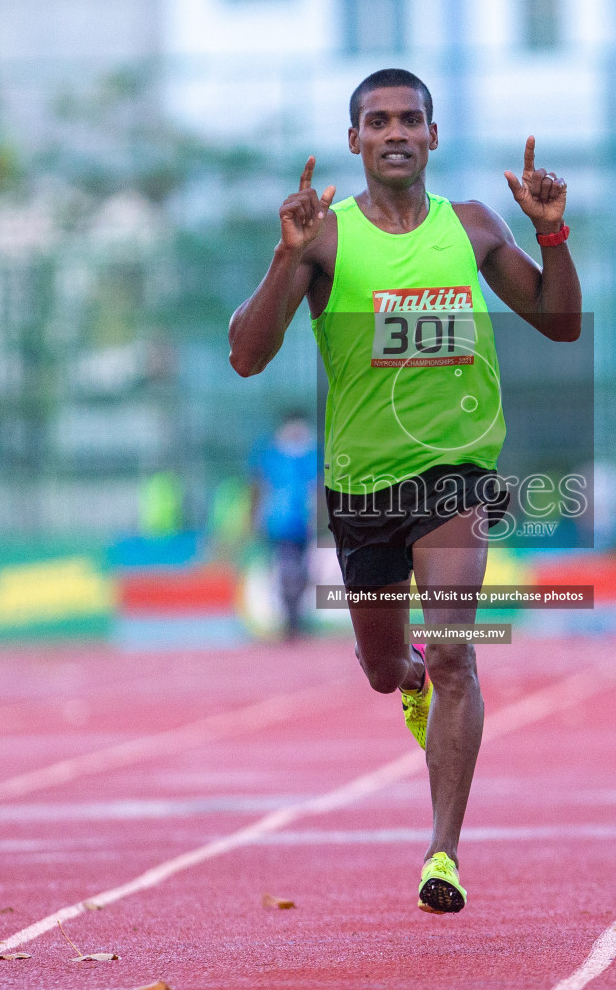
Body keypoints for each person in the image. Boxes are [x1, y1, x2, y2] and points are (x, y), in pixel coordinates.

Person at [227, 68, 581, 912]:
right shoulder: (324, 237)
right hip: (362, 486)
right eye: (377, 120)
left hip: (456, 473)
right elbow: (247, 354)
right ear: (354, 140)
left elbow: (561, 322)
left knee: (459, 649)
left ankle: (442, 854)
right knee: (388, 671)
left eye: (410, 119)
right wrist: (285, 253)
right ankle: (409, 674)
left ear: (433, 135)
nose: (395, 132)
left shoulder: (473, 226)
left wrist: (556, 235)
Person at [249, 410, 320, 640]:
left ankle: (295, 617)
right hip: (279, 524)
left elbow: (318, 490)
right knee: (288, 571)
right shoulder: (270, 455)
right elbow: (259, 488)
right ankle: (291, 620)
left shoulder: (312, 456)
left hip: (304, 525)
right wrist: (255, 518)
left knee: (303, 572)